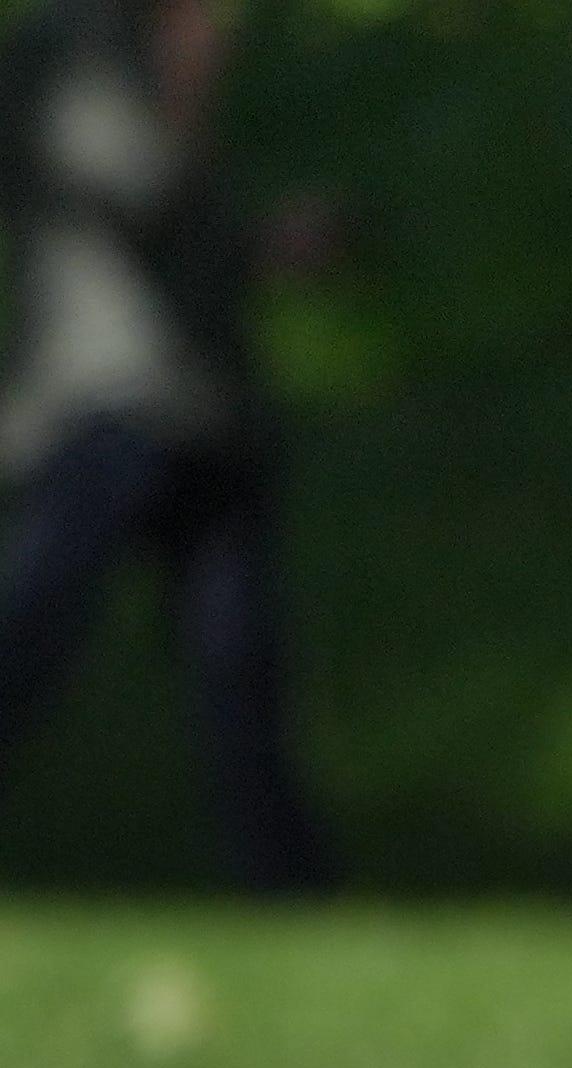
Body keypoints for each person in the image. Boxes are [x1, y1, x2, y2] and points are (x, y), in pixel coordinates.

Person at [0, 0, 336, 889]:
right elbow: (136, 189)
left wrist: (272, 245)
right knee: (28, 643)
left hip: (207, 410)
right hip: (103, 407)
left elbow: (194, 242)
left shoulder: (153, 48)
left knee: (242, 665)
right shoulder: (73, 51)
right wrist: (191, 72)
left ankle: (289, 889)